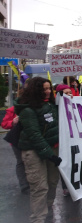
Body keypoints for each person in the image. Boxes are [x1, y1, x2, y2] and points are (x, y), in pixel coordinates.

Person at [15, 77, 62, 223]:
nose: (48, 92)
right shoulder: (27, 109)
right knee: (40, 187)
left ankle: (47, 211)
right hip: (34, 152)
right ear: (36, 91)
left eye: (49, 88)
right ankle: (38, 218)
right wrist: (50, 154)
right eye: (44, 89)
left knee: (52, 182)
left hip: (51, 150)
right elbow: (34, 135)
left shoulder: (52, 105)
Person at [1, 105, 29, 194]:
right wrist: (13, 122)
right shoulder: (13, 110)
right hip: (16, 140)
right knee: (20, 161)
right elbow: (4, 124)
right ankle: (24, 184)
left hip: (30, 140)